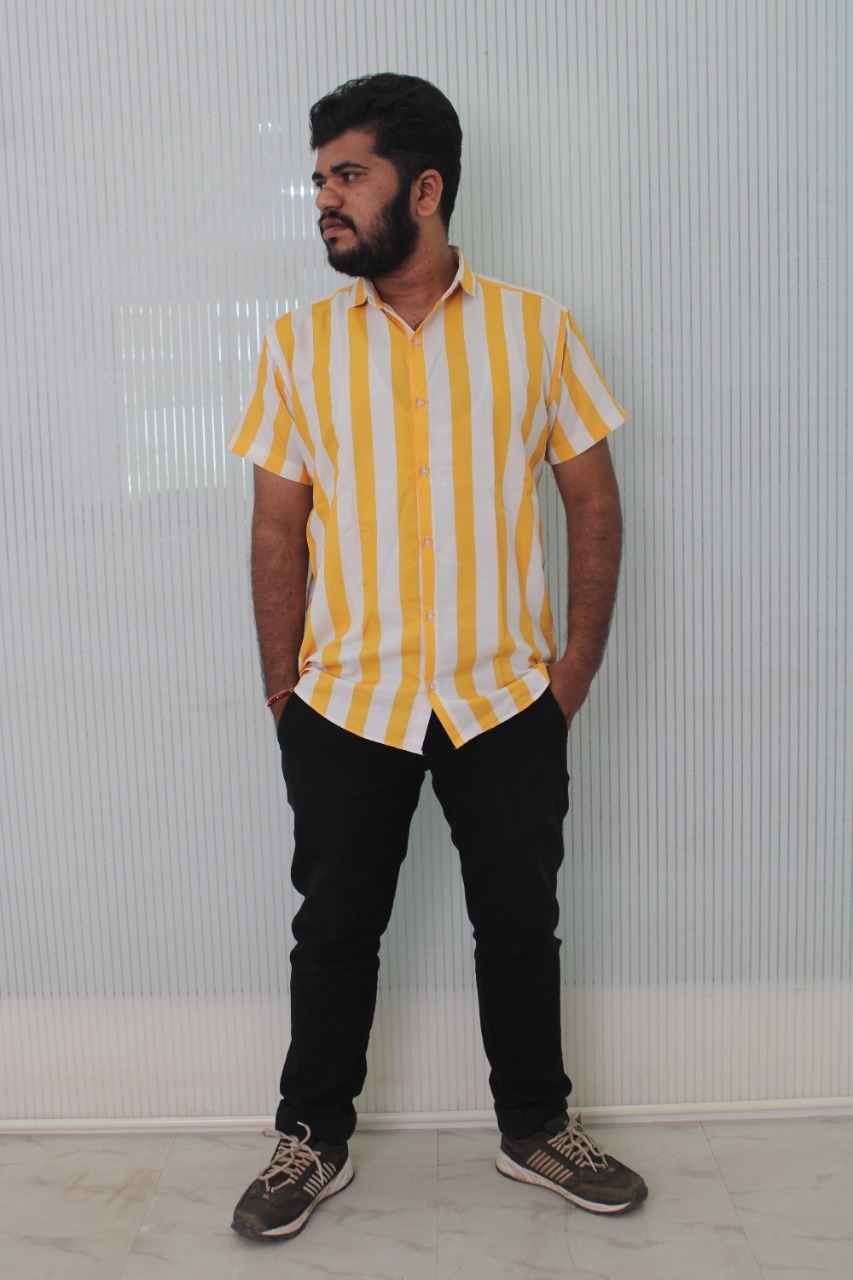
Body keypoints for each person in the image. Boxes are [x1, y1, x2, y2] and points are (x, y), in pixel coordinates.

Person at [227, 72, 647, 1242]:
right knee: (333, 929)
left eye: (347, 175)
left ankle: (535, 1125)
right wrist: (285, 687)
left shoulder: (537, 330)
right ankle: (311, 1136)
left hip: (504, 697)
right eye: (319, 177)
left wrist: (569, 674)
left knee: (519, 925)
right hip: (346, 701)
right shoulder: (300, 347)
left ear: (424, 188)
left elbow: (593, 503)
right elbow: (275, 529)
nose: (325, 198)